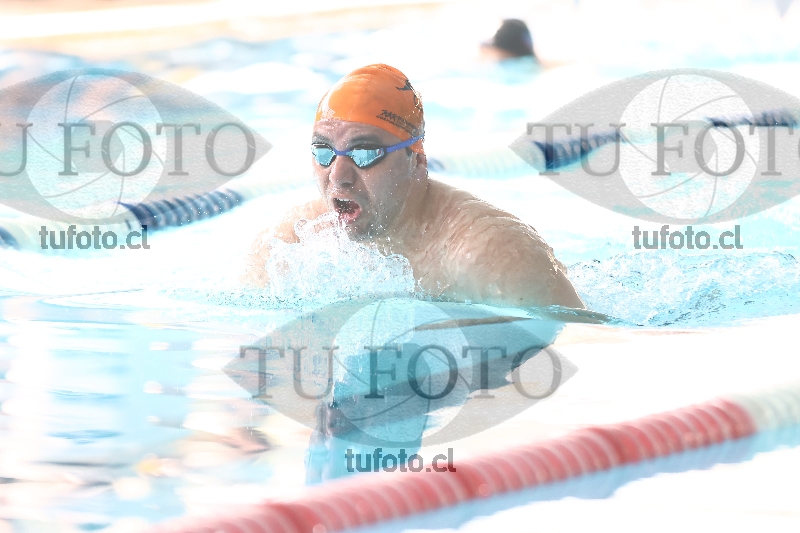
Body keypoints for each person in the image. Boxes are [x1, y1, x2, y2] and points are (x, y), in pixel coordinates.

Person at [244, 64, 582, 309]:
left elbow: (580, 346)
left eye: (365, 153)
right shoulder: (288, 245)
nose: (337, 176)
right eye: (323, 152)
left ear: (416, 161)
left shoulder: (493, 256)